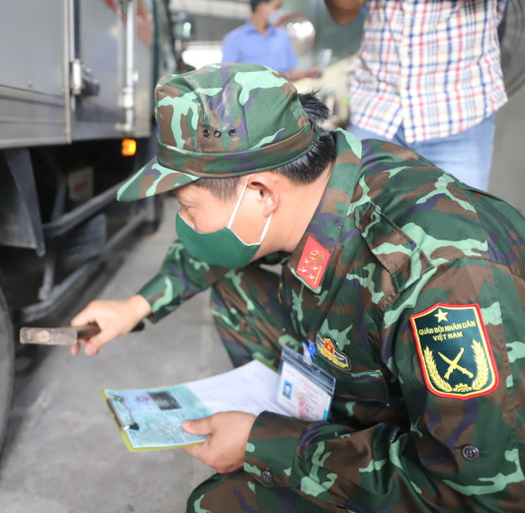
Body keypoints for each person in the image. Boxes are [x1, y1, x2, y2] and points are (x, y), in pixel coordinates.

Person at [71, 63, 525, 512]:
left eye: (188, 207)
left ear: (261, 194)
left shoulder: (441, 281)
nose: (183, 224)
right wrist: (135, 305)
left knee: (215, 505)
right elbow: (210, 249)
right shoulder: (328, 178)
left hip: (465, 477)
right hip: (382, 375)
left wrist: (264, 445)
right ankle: (316, 425)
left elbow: (474, 493)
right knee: (237, 290)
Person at [324, 0, 508, 191]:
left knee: (457, 218)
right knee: (355, 216)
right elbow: (343, 14)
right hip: (376, 108)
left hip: (460, 112)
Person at [222, 0, 319, 81]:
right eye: (276, 7)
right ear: (262, 7)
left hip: (281, 99)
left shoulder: (282, 36)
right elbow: (227, 75)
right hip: (251, 101)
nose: (279, 12)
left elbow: (289, 72)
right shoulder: (234, 39)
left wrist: (307, 74)